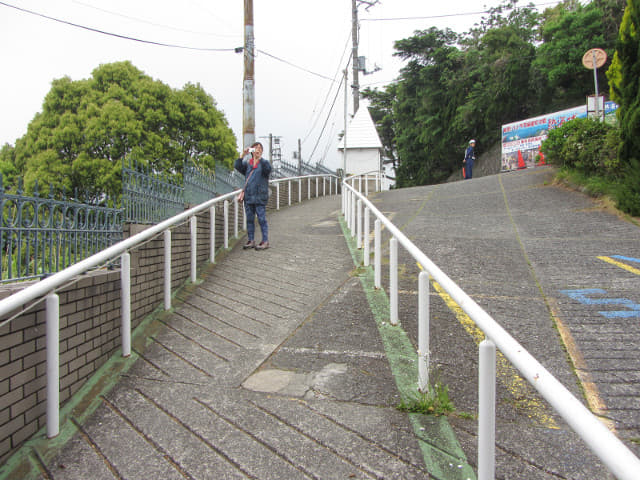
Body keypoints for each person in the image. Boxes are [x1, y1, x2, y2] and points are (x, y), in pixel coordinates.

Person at [234, 142, 272, 250]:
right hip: (249, 197)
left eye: (260, 148)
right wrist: (243, 154)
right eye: (255, 148)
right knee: (249, 219)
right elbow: (237, 166)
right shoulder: (248, 165)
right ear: (252, 150)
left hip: (260, 196)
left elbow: (268, 169)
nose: (257, 150)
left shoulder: (264, 164)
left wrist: (260, 158)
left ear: (262, 151)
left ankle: (265, 241)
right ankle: (251, 240)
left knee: (262, 219)